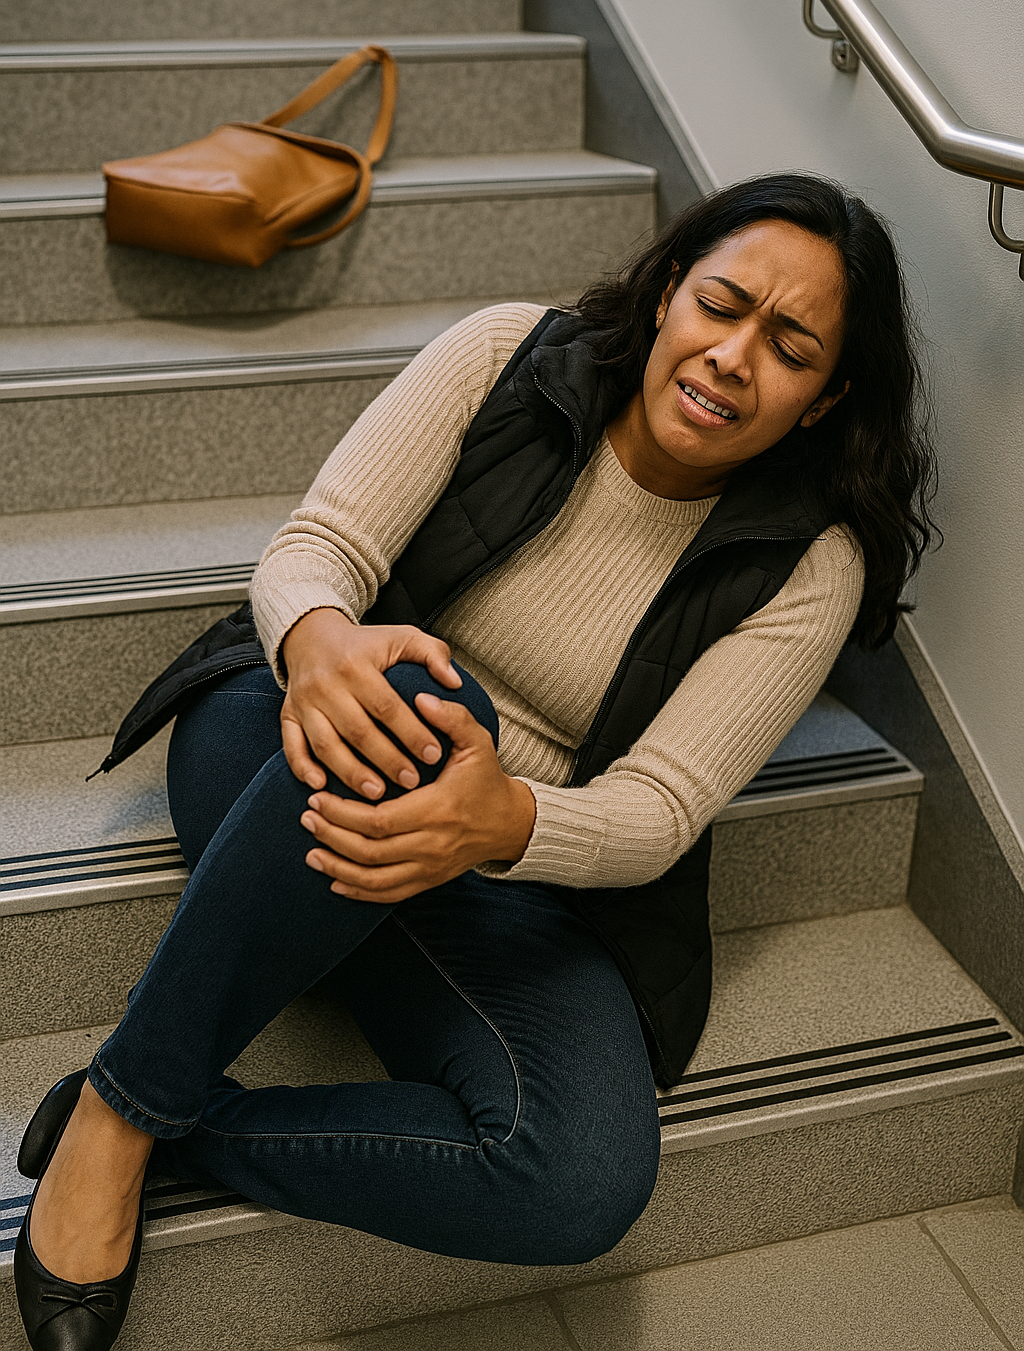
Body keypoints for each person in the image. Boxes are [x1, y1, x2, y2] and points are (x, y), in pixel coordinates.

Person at [15, 174, 937, 1351]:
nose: (731, 358)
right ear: (665, 295)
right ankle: (123, 1114)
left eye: (790, 346)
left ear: (822, 401)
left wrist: (503, 824)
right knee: (419, 698)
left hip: (509, 861)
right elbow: (318, 549)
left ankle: (162, 1121)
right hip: (294, 745)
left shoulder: (809, 564)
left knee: (580, 1182)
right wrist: (319, 639)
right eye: (720, 305)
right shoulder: (506, 355)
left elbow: (657, 810)